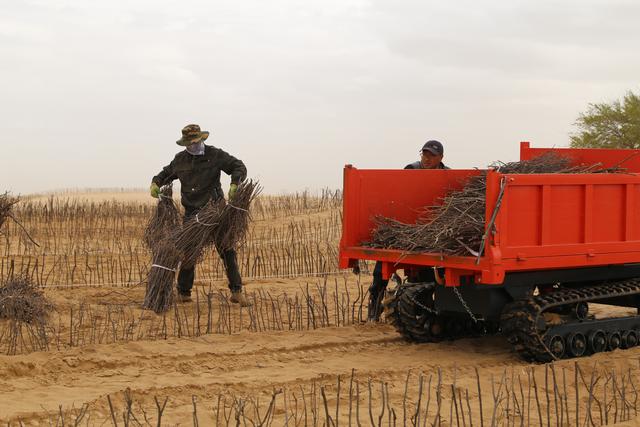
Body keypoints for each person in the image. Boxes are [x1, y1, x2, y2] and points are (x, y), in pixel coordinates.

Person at [150, 124, 250, 306]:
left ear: (202, 139)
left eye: (196, 142)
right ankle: (183, 293)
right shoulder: (180, 160)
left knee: (227, 251)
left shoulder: (215, 155)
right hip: (192, 214)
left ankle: (236, 291)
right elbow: (165, 174)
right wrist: (155, 183)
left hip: (216, 212)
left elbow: (238, 166)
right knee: (189, 253)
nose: (193, 146)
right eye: (189, 143)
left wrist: (235, 183)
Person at [367, 140, 449, 321]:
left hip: (432, 233)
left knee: (430, 275)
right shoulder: (411, 170)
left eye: (431, 156)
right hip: (406, 229)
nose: (427, 159)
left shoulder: (448, 174)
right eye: (424, 154)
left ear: (441, 157)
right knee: (382, 269)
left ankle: (427, 313)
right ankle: (373, 313)